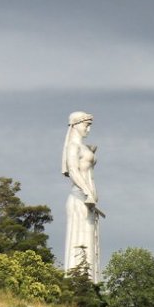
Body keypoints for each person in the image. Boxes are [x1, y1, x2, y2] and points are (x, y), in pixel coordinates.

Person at [61, 111, 102, 281]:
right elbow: (72, 170)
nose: (89, 129)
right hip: (80, 200)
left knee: (90, 246)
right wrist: (87, 192)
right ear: (76, 125)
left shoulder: (83, 147)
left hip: (88, 203)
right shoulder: (73, 146)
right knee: (79, 242)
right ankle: (76, 283)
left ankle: (89, 285)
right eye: (87, 125)